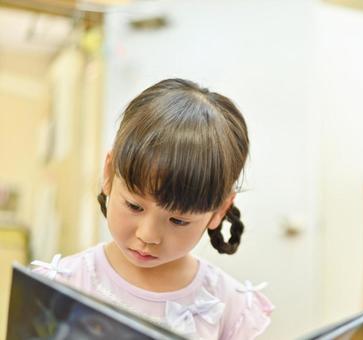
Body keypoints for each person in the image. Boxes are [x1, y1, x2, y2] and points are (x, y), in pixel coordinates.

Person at [31, 78, 274, 340]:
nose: (148, 236)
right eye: (134, 206)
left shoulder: (231, 307)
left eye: (178, 221)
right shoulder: (61, 286)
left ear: (219, 211)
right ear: (109, 174)